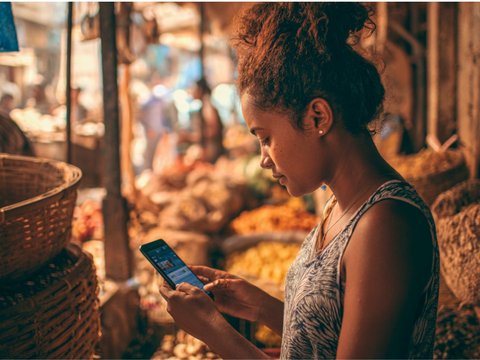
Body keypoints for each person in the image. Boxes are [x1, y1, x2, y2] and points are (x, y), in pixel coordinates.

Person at [159, 3, 439, 359]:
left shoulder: (385, 226)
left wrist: (214, 332)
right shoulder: (342, 205)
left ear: (317, 117)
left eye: (265, 137)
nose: (263, 158)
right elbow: (333, 336)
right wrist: (261, 307)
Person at [191, 78, 225, 163]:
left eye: (194, 88)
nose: (192, 92)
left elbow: (213, 129)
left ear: (200, 90)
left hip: (212, 150)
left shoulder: (207, 105)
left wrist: (191, 137)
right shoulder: (206, 104)